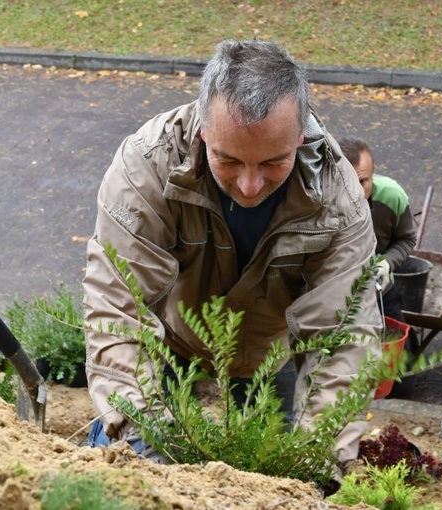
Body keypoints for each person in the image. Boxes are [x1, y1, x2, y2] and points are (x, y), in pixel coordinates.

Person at [82, 39, 382, 484]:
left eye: (273, 162)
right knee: (127, 465)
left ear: (299, 138)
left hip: (266, 356)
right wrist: (144, 441)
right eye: (227, 159)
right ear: (204, 129)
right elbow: (118, 309)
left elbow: (345, 340)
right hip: (170, 344)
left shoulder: (338, 198)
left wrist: (317, 462)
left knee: (275, 476)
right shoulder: (147, 167)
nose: (248, 184)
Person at [338, 137, 419, 361]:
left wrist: (387, 262)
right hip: (333, 301)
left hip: (380, 291)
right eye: (346, 183)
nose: (354, 192)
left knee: (400, 369)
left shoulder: (392, 197)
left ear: (373, 175)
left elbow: (406, 240)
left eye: (362, 182)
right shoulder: (315, 201)